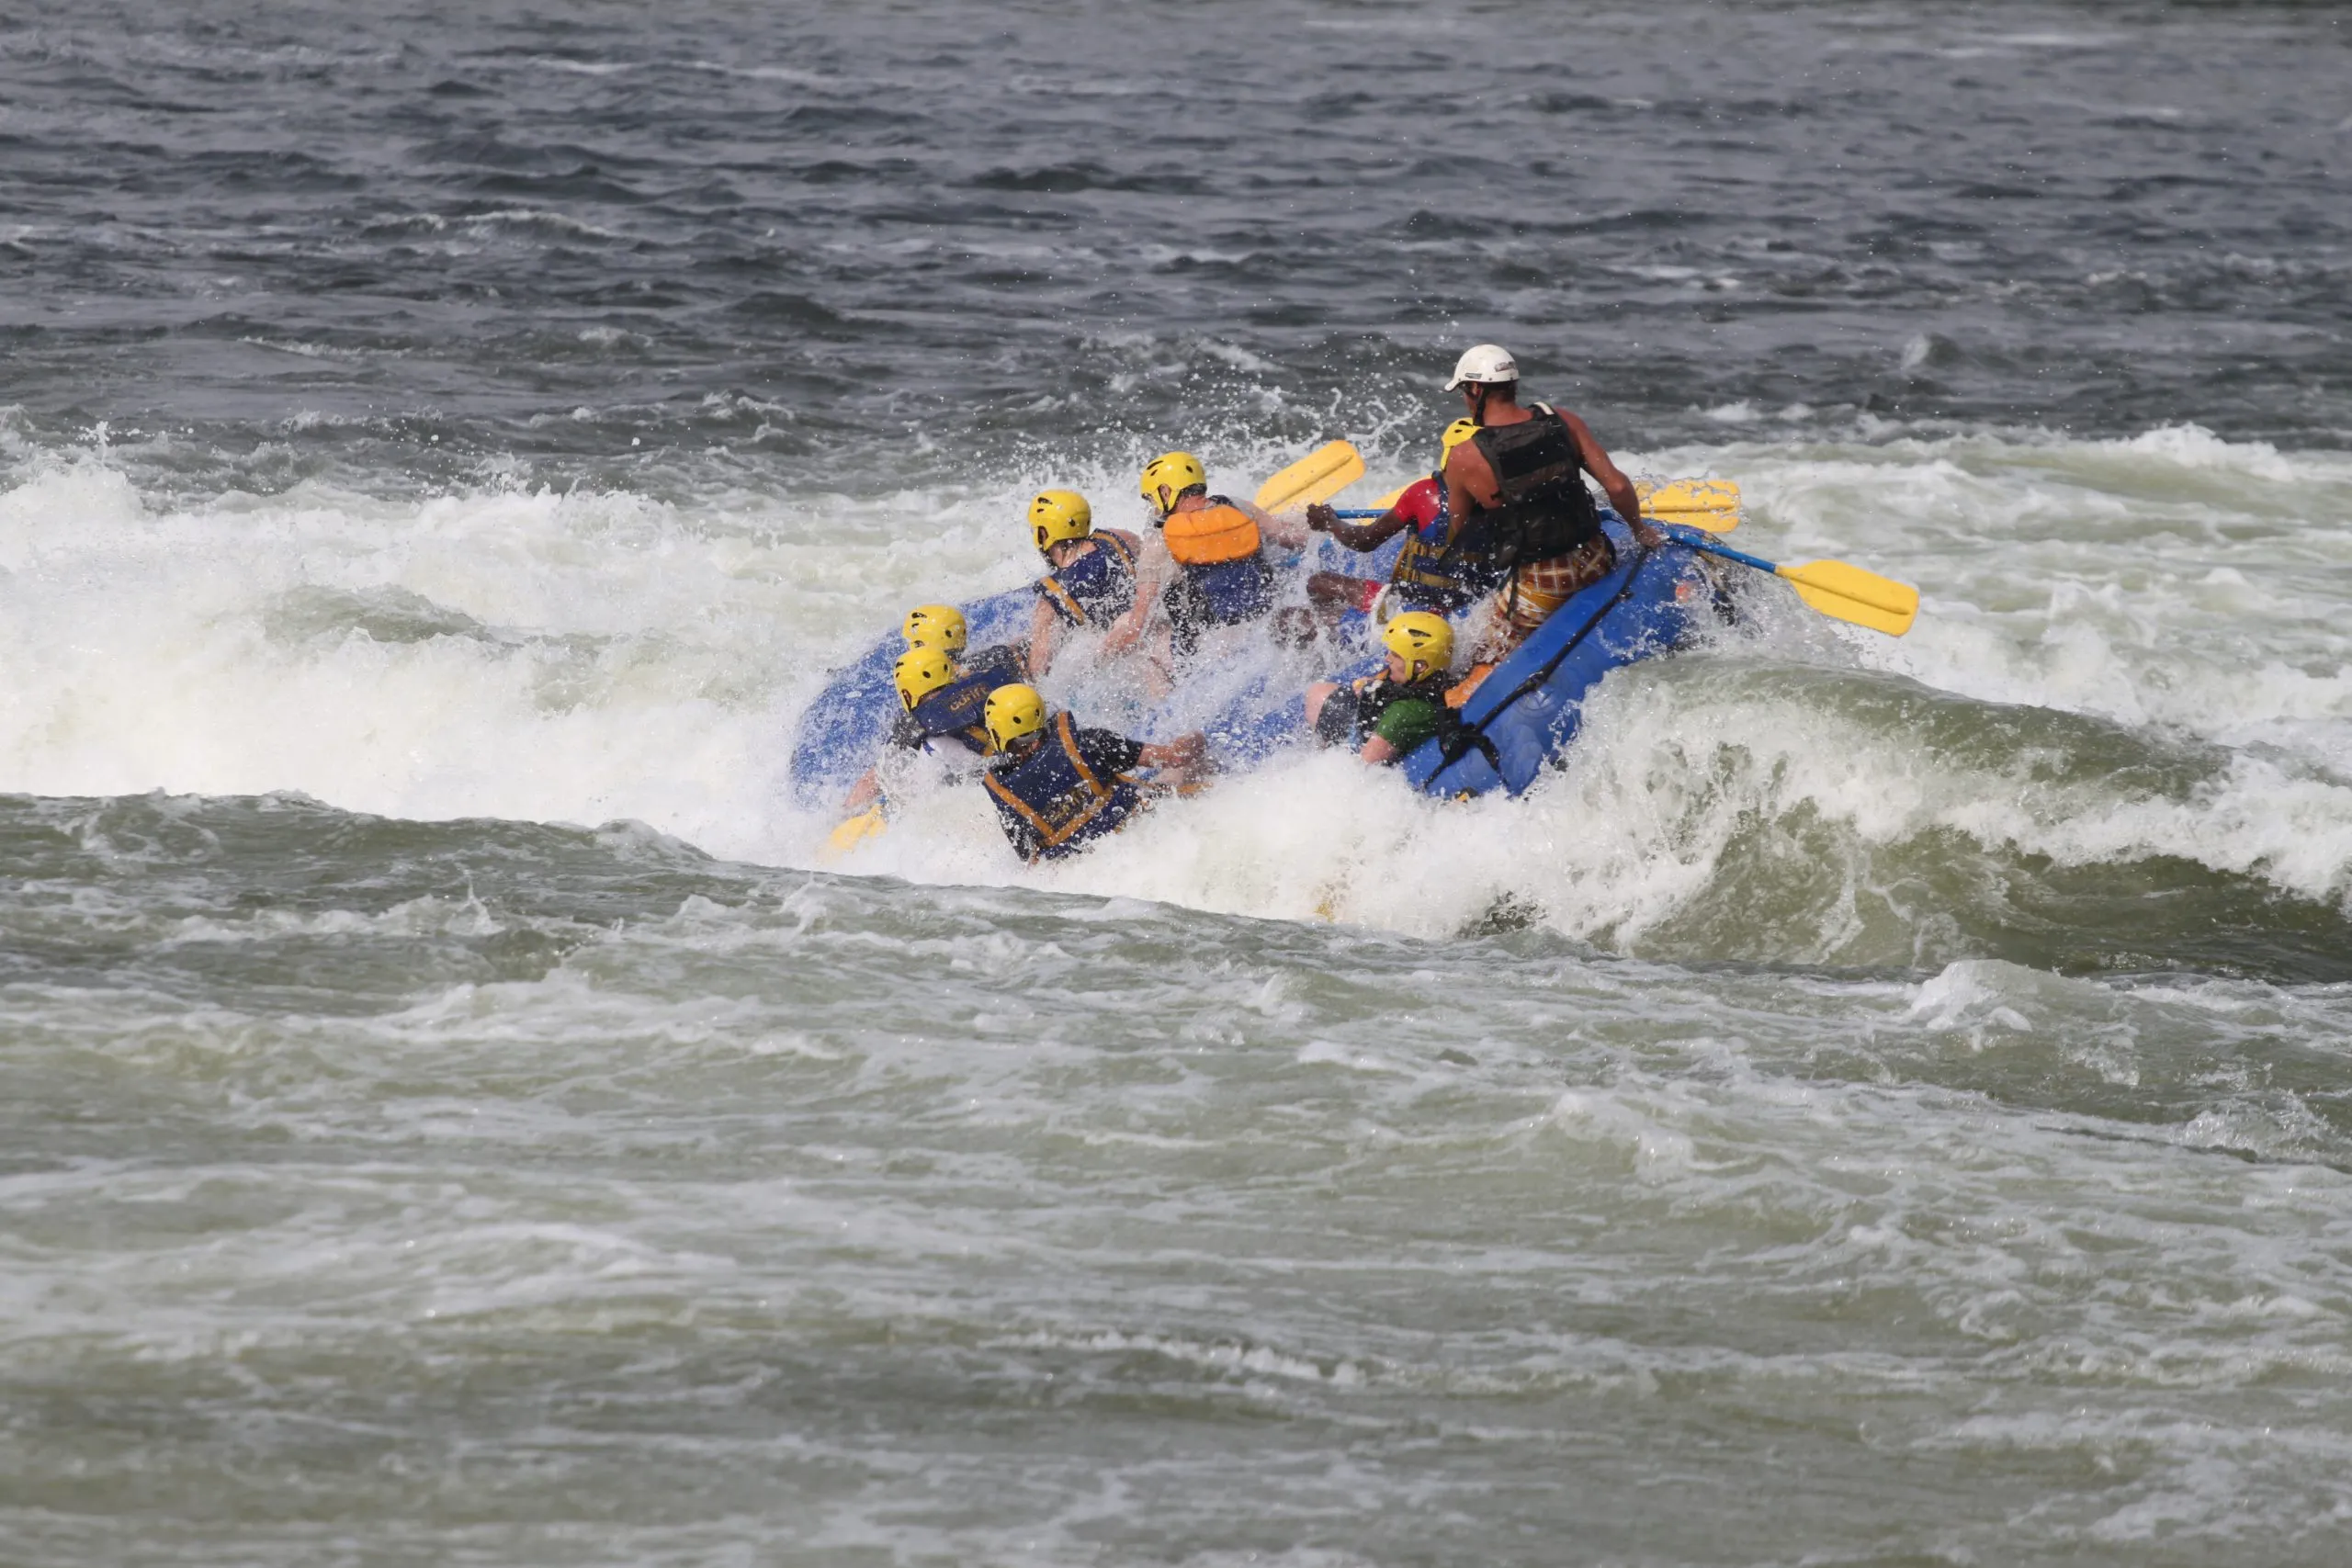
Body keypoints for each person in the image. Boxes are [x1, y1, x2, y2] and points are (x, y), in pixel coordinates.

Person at [1438, 344, 1666, 667]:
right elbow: (1616, 485)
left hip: (1541, 580)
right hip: (1597, 556)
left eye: (1463, 390)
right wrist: (1639, 530)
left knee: (1475, 658)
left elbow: (1460, 533)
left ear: (1475, 389)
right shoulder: (1562, 420)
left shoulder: (1464, 457)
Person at [979, 682, 1208, 863]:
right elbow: (1173, 758)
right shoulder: (1088, 742)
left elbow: (1027, 855)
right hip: (1141, 836)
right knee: (1179, 772)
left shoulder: (1005, 793)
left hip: (1088, 870)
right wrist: (1196, 738)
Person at [1303, 419, 1497, 618]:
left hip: (1410, 605)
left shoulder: (1424, 494)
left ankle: (1346, 633)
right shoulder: (1506, 498)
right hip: (1471, 607)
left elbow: (1363, 541)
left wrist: (1330, 522)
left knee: (1318, 583)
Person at [841, 606, 1028, 812]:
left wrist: (845, 811)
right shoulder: (994, 663)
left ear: (921, 645)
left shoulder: (921, 715)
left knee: (930, 747)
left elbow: (879, 774)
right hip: (1017, 747)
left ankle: (909, 812)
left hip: (981, 773)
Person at [1138, 451, 1311, 658]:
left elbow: (1140, 617)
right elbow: (1289, 537)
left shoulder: (1159, 542)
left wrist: (1099, 657)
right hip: (1267, 622)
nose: (1154, 509)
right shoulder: (1239, 507)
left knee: (1151, 653)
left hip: (1210, 644)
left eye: (1153, 499)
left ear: (1165, 492)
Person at [1024, 489, 1159, 680]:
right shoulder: (1119, 539)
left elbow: (1039, 669)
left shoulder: (1052, 597)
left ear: (1044, 534)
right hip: (1151, 632)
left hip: (1118, 665)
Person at [1305, 611, 1462, 765]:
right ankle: (1323, 753)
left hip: (1373, 756)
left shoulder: (1404, 714)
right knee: (1319, 693)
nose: (1388, 658)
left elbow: (1361, 770)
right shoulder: (1432, 680)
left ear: (1420, 666)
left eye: (1395, 654)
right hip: (1384, 727)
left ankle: (1323, 756)